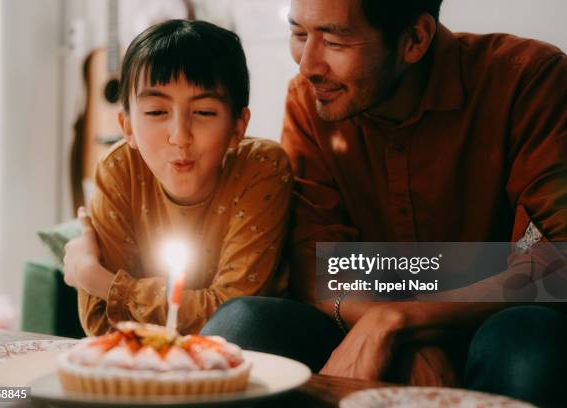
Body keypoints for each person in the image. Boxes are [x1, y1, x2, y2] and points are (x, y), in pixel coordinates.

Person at [201, 1, 567, 406]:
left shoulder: (528, 79)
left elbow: (553, 265)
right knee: (242, 326)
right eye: (300, 34)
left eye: (335, 41)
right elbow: (314, 261)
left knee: (528, 344)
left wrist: (398, 319)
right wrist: (396, 333)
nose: (308, 65)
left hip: (490, 321)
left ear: (414, 39)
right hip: (359, 321)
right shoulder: (310, 99)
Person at [62, 20, 293, 336]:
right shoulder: (119, 168)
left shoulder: (261, 168)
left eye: (204, 113)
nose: (180, 137)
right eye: (157, 112)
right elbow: (102, 324)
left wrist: (99, 281)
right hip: (141, 371)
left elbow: (233, 315)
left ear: (238, 125)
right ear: (126, 126)